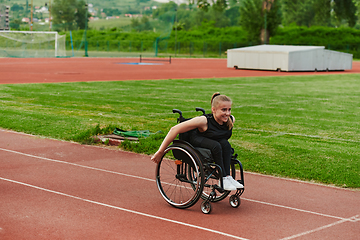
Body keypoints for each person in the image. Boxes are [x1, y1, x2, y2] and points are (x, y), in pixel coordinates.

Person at [151, 92, 244, 191]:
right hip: (197, 139)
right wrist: (160, 151)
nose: (227, 113)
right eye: (223, 110)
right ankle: (223, 178)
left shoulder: (230, 120)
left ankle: (227, 177)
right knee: (216, 145)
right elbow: (174, 129)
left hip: (214, 141)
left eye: (229, 109)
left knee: (226, 145)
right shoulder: (203, 121)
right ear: (214, 110)